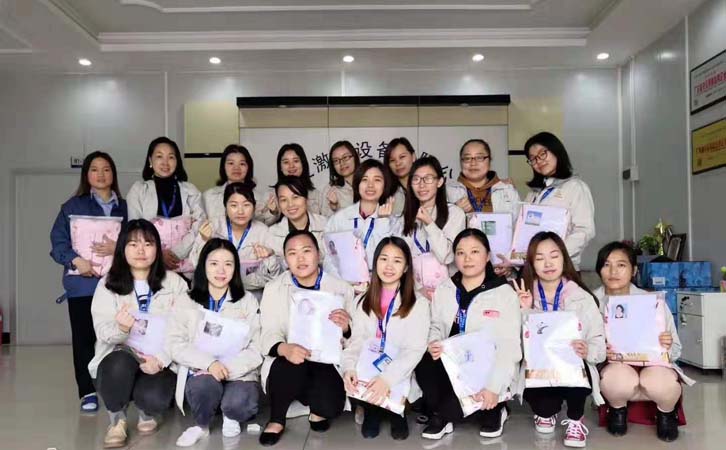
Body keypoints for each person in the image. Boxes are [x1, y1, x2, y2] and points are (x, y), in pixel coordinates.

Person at [89, 219, 190, 448]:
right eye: (133, 244)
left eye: (148, 244)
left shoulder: (175, 283)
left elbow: (186, 330)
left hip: (158, 357)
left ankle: (147, 410)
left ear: (157, 249)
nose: (141, 250)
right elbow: (102, 331)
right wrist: (122, 329)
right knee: (117, 365)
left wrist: (162, 358)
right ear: (122, 249)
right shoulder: (108, 284)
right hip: (122, 352)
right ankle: (117, 420)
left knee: (155, 398)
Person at [416, 229, 521, 440]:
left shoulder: (504, 293)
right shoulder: (446, 288)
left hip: (488, 369)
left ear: (487, 256)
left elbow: (509, 347)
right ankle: (443, 414)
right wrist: (433, 342)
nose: (467, 258)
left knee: (463, 410)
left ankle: (495, 409)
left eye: (474, 251)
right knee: (424, 363)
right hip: (454, 364)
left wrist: (494, 387)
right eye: (461, 253)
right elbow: (435, 325)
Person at [258, 230, 355, 446]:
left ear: (318, 254)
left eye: (306, 251)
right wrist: (285, 349)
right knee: (288, 366)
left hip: (325, 360)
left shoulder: (341, 289)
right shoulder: (274, 289)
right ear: (285, 259)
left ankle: (315, 409)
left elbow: (355, 338)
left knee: (331, 407)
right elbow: (269, 331)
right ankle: (277, 418)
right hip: (290, 359)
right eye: (292, 253)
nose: (300, 259)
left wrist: (346, 328)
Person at [50, 151, 128, 413]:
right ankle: (87, 392)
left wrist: (118, 246)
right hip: (83, 286)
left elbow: (139, 240)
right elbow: (58, 243)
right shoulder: (72, 206)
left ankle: (116, 387)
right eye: (94, 169)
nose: (101, 174)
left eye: (106, 169)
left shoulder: (125, 207)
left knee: (119, 337)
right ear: (86, 175)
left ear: (113, 174)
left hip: (118, 286)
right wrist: (75, 261)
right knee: (84, 339)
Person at [512, 231, 605, 448]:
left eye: (554, 256)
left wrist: (588, 350)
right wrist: (525, 310)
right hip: (538, 368)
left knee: (579, 364)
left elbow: (599, 343)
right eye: (540, 258)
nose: (548, 264)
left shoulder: (582, 297)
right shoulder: (522, 294)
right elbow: (514, 344)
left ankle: (575, 419)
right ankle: (546, 412)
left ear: (564, 258)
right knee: (545, 410)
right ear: (531, 263)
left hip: (571, 367)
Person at [593, 241, 691, 442]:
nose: (613, 271)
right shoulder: (590, 303)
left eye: (621, 265)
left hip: (653, 365)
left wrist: (666, 345)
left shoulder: (652, 302)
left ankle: (666, 413)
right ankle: (617, 410)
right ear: (599, 270)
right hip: (614, 365)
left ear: (634, 270)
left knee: (660, 382)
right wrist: (600, 351)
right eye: (606, 265)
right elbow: (582, 348)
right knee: (616, 380)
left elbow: (677, 350)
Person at [169, 238, 262, 447]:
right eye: (214, 263)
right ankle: (202, 425)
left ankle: (231, 414)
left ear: (235, 268)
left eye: (228, 264)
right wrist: (209, 364)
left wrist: (226, 369)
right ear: (203, 266)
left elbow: (257, 347)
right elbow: (175, 343)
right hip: (202, 370)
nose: (221, 270)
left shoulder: (247, 301)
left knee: (239, 403)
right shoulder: (186, 300)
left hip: (239, 371)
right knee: (204, 387)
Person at [342, 237, 430, 440]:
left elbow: (415, 349)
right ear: (375, 263)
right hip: (370, 365)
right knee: (359, 364)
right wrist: (349, 368)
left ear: (406, 268)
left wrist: (387, 379)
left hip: (400, 367)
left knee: (401, 365)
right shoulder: (362, 301)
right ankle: (371, 408)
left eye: (397, 261)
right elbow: (356, 341)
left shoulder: (419, 304)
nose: (389, 266)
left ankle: (397, 411)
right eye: (383, 259)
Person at [126, 137, 206, 273]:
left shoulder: (190, 190)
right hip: (149, 265)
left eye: (171, 157)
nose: (165, 162)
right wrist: (158, 254)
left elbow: (200, 224)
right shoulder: (139, 190)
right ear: (150, 161)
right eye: (159, 156)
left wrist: (177, 252)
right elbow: (134, 228)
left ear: (177, 161)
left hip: (185, 264)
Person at [392, 156, 466, 298]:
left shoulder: (455, 214)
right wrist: (417, 291)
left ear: (440, 182)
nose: (421, 185)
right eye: (416, 179)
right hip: (415, 294)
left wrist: (429, 223)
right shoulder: (403, 219)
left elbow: (447, 256)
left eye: (428, 178)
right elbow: (401, 261)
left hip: (448, 293)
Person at [190, 183, 281, 297]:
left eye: (246, 205)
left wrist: (270, 257)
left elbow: (275, 275)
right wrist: (205, 241)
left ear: (254, 207)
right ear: (225, 206)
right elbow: (195, 264)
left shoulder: (262, 231)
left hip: (251, 294)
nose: (240, 211)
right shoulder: (213, 226)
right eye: (234, 205)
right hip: (215, 292)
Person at [522, 132, 595, 271]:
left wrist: (554, 255)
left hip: (563, 268)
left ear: (556, 151)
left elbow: (585, 231)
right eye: (533, 159)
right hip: (534, 268)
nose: (539, 161)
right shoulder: (533, 193)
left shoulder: (576, 187)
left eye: (542, 154)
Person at [325, 159, 396, 279]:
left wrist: (383, 222)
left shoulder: (392, 222)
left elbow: (390, 259)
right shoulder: (339, 219)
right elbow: (329, 259)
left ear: (385, 185)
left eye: (377, 180)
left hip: (378, 284)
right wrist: (345, 283)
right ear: (357, 184)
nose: (370, 185)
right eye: (364, 179)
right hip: (344, 285)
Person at [258, 143, 323, 224]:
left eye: (296, 161)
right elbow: (258, 226)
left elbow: (328, 224)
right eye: (286, 162)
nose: (291, 166)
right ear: (280, 167)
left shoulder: (316, 195)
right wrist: (273, 212)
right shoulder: (270, 195)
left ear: (303, 164)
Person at [265, 177, 328, 259]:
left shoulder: (326, 225)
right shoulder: (273, 233)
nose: (290, 204)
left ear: (306, 198)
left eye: (295, 197)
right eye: (284, 200)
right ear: (278, 203)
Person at [201, 144, 266, 221]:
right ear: (223, 166)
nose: (236, 168)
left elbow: (264, 224)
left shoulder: (259, 199)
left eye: (242, 164)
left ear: (249, 167)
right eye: (231, 163)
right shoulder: (208, 196)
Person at [320, 140, 360, 216]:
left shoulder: (367, 183)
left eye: (345, 157)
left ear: (355, 157)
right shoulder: (330, 189)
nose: (342, 163)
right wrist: (334, 207)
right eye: (336, 161)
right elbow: (325, 220)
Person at [383, 137, 414, 216]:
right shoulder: (389, 196)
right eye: (392, 160)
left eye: (402, 157)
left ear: (413, 157)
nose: (398, 163)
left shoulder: (426, 188)